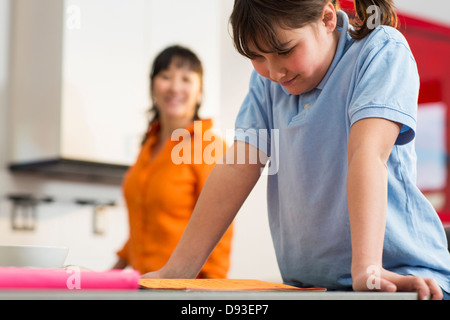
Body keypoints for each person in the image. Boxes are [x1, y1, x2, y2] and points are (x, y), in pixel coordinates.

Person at [141, 1, 450, 300]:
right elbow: (238, 166)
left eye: (284, 51)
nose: (274, 72)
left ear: (327, 19)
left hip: (401, 278)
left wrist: (367, 268)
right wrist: (177, 272)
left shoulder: (379, 50)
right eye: (257, 56)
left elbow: (366, 154)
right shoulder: (267, 83)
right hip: (313, 287)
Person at [112, 45, 233, 279]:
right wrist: (108, 277)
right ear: (153, 86)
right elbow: (143, 224)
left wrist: (210, 295)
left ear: (200, 90)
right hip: (142, 287)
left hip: (184, 291)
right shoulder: (148, 146)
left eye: (186, 79)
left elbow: (220, 230)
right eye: (166, 77)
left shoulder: (210, 147)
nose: (175, 87)